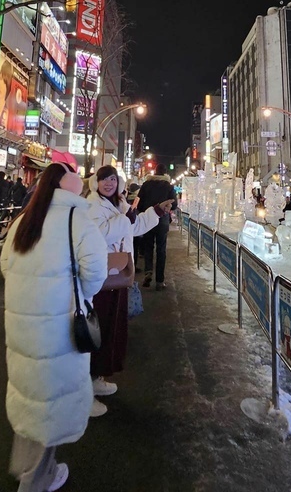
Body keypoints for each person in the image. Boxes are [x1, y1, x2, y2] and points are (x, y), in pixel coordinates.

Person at [0, 151, 107, 492]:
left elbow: (6, 266)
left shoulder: (24, 220)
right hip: (58, 327)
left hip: (22, 324)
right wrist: (82, 298)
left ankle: (25, 466)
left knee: (30, 394)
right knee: (50, 403)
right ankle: (35, 480)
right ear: (68, 184)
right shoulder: (77, 218)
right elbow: (96, 271)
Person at [85, 166, 168, 411]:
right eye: (103, 179)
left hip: (118, 274)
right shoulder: (92, 205)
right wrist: (125, 219)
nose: (108, 183)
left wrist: (154, 211)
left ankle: (97, 377)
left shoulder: (118, 202)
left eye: (112, 179)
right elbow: (98, 235)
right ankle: (84, 390)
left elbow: (133, 227)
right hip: (100, 277)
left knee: (112, 328)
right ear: (96, 183)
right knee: (96, 331)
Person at [135, 174, 178, 290]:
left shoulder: (146, 185)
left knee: (148, 246)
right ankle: (160, 281)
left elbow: (138, 201)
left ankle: (148, 271)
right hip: (162, 220)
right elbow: (174, 204)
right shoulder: (168, 186)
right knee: (161, 249)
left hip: (147, 219)